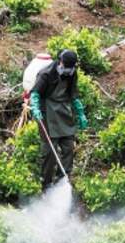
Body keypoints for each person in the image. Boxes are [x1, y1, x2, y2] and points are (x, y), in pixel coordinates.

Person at [29, 49, 88, 190]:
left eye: (70, 67)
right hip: (47, 111)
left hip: (63, 110)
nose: (67, 70)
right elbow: (35, 93)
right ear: (60, 62)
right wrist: (35, 108)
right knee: (50, 150)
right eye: (66, 66)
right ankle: (46, 184)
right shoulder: (46, 74)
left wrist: (80, 112)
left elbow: (73, 95)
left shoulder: (72, 73)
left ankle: (63, 179)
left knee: (68, 146)